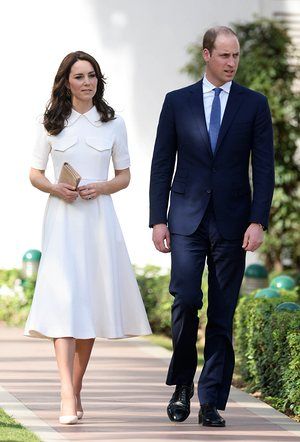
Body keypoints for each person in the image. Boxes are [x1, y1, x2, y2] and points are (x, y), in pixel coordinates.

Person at [149, 26, 274, 427]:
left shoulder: (254, 104)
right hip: (185, 218)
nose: (232, 63)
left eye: (236, 55)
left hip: (234, 223)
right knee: (185, 300)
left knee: (223, 311)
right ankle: (182, 385)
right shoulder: (177, 102)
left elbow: (265, 168)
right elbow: (161, 164)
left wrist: (258, 219)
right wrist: (157, 219)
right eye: (224, 56)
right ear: (206, 55)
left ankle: (212, 400)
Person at [24, 51, 151, 425]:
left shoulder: (113, 124)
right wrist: (53, 187)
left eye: (92, 76)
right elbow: (33, 172)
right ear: (66, 82)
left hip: (98, 223)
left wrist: (102, 186)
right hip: (62, 222)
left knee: (88, 308)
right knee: (65, 305)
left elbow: (124, 176)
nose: (87, 82)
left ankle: (75, 387)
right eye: (79, 76)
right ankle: (65, 393)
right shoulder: (50, 123)